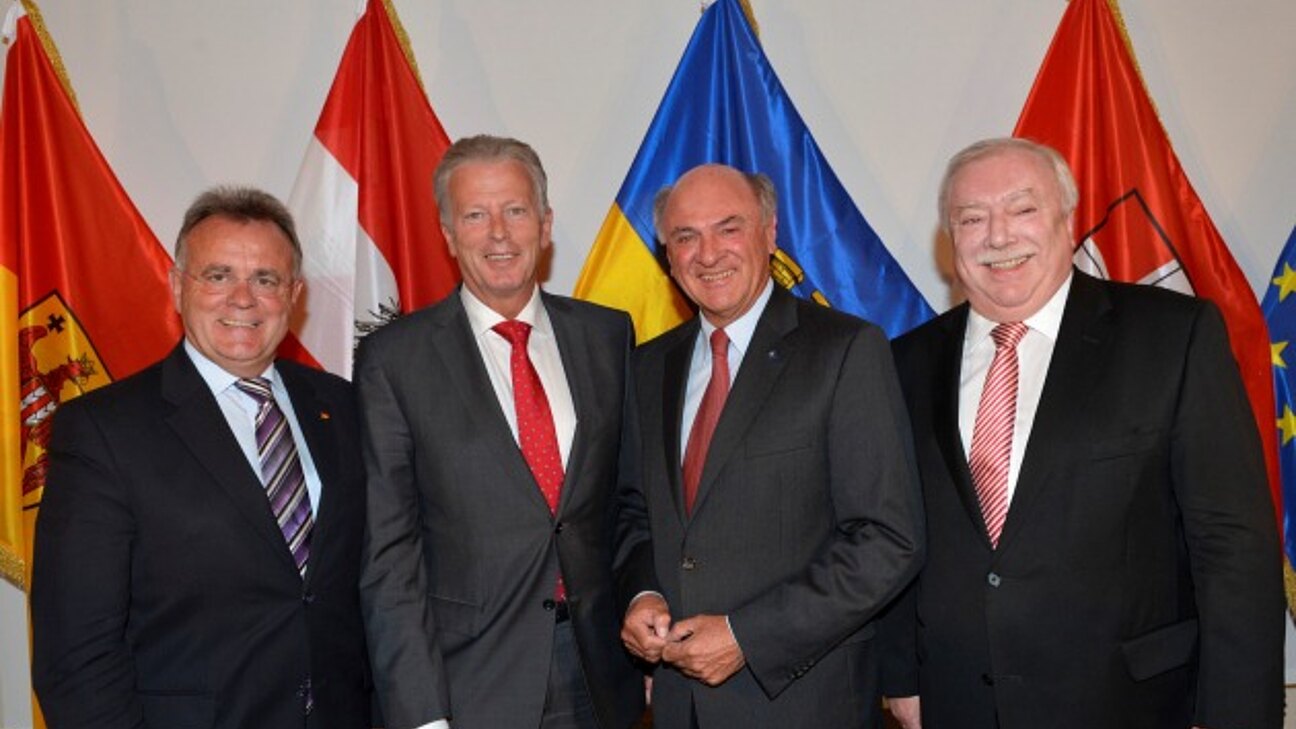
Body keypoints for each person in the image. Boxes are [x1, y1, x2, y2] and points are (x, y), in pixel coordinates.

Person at [880, 137, 1284, 729]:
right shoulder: (902, 363)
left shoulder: (1172, 336)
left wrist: (1236, 714)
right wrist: (900, 677)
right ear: (950, 239)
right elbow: (891, 530)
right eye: (971, 218)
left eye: (1022, 209)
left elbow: (1232, 542)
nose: (998, 236)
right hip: (957, 703)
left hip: (1131, 704)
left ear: (1066, 219)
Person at [31, 186, 372, 728]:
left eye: (266, 279)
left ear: (294, 294)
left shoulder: (344, 407)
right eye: (218, 276)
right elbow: (76, 656)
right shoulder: (103, 430)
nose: (243, 299)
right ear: (176, 286)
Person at [616, 163, 925, 728]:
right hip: (680, 707)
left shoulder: (845, 351)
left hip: (803, 704)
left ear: (769, 232)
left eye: (728, 228)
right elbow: (634, 512)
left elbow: (887, 540)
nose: (708, 253)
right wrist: (642, 596)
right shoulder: (648, 366)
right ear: (668, 255)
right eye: (685, 236)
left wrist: (748, 637)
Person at [356, 134, 644, 729]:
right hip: (469, 685)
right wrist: (422, 714)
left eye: (515, 210)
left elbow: (628, 504)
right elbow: (390, 557)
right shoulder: (395, 360)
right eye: (474, 215)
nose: (498, 234)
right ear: (447, 233)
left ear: (545, 224)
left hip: (600, 675)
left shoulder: (607, 336)